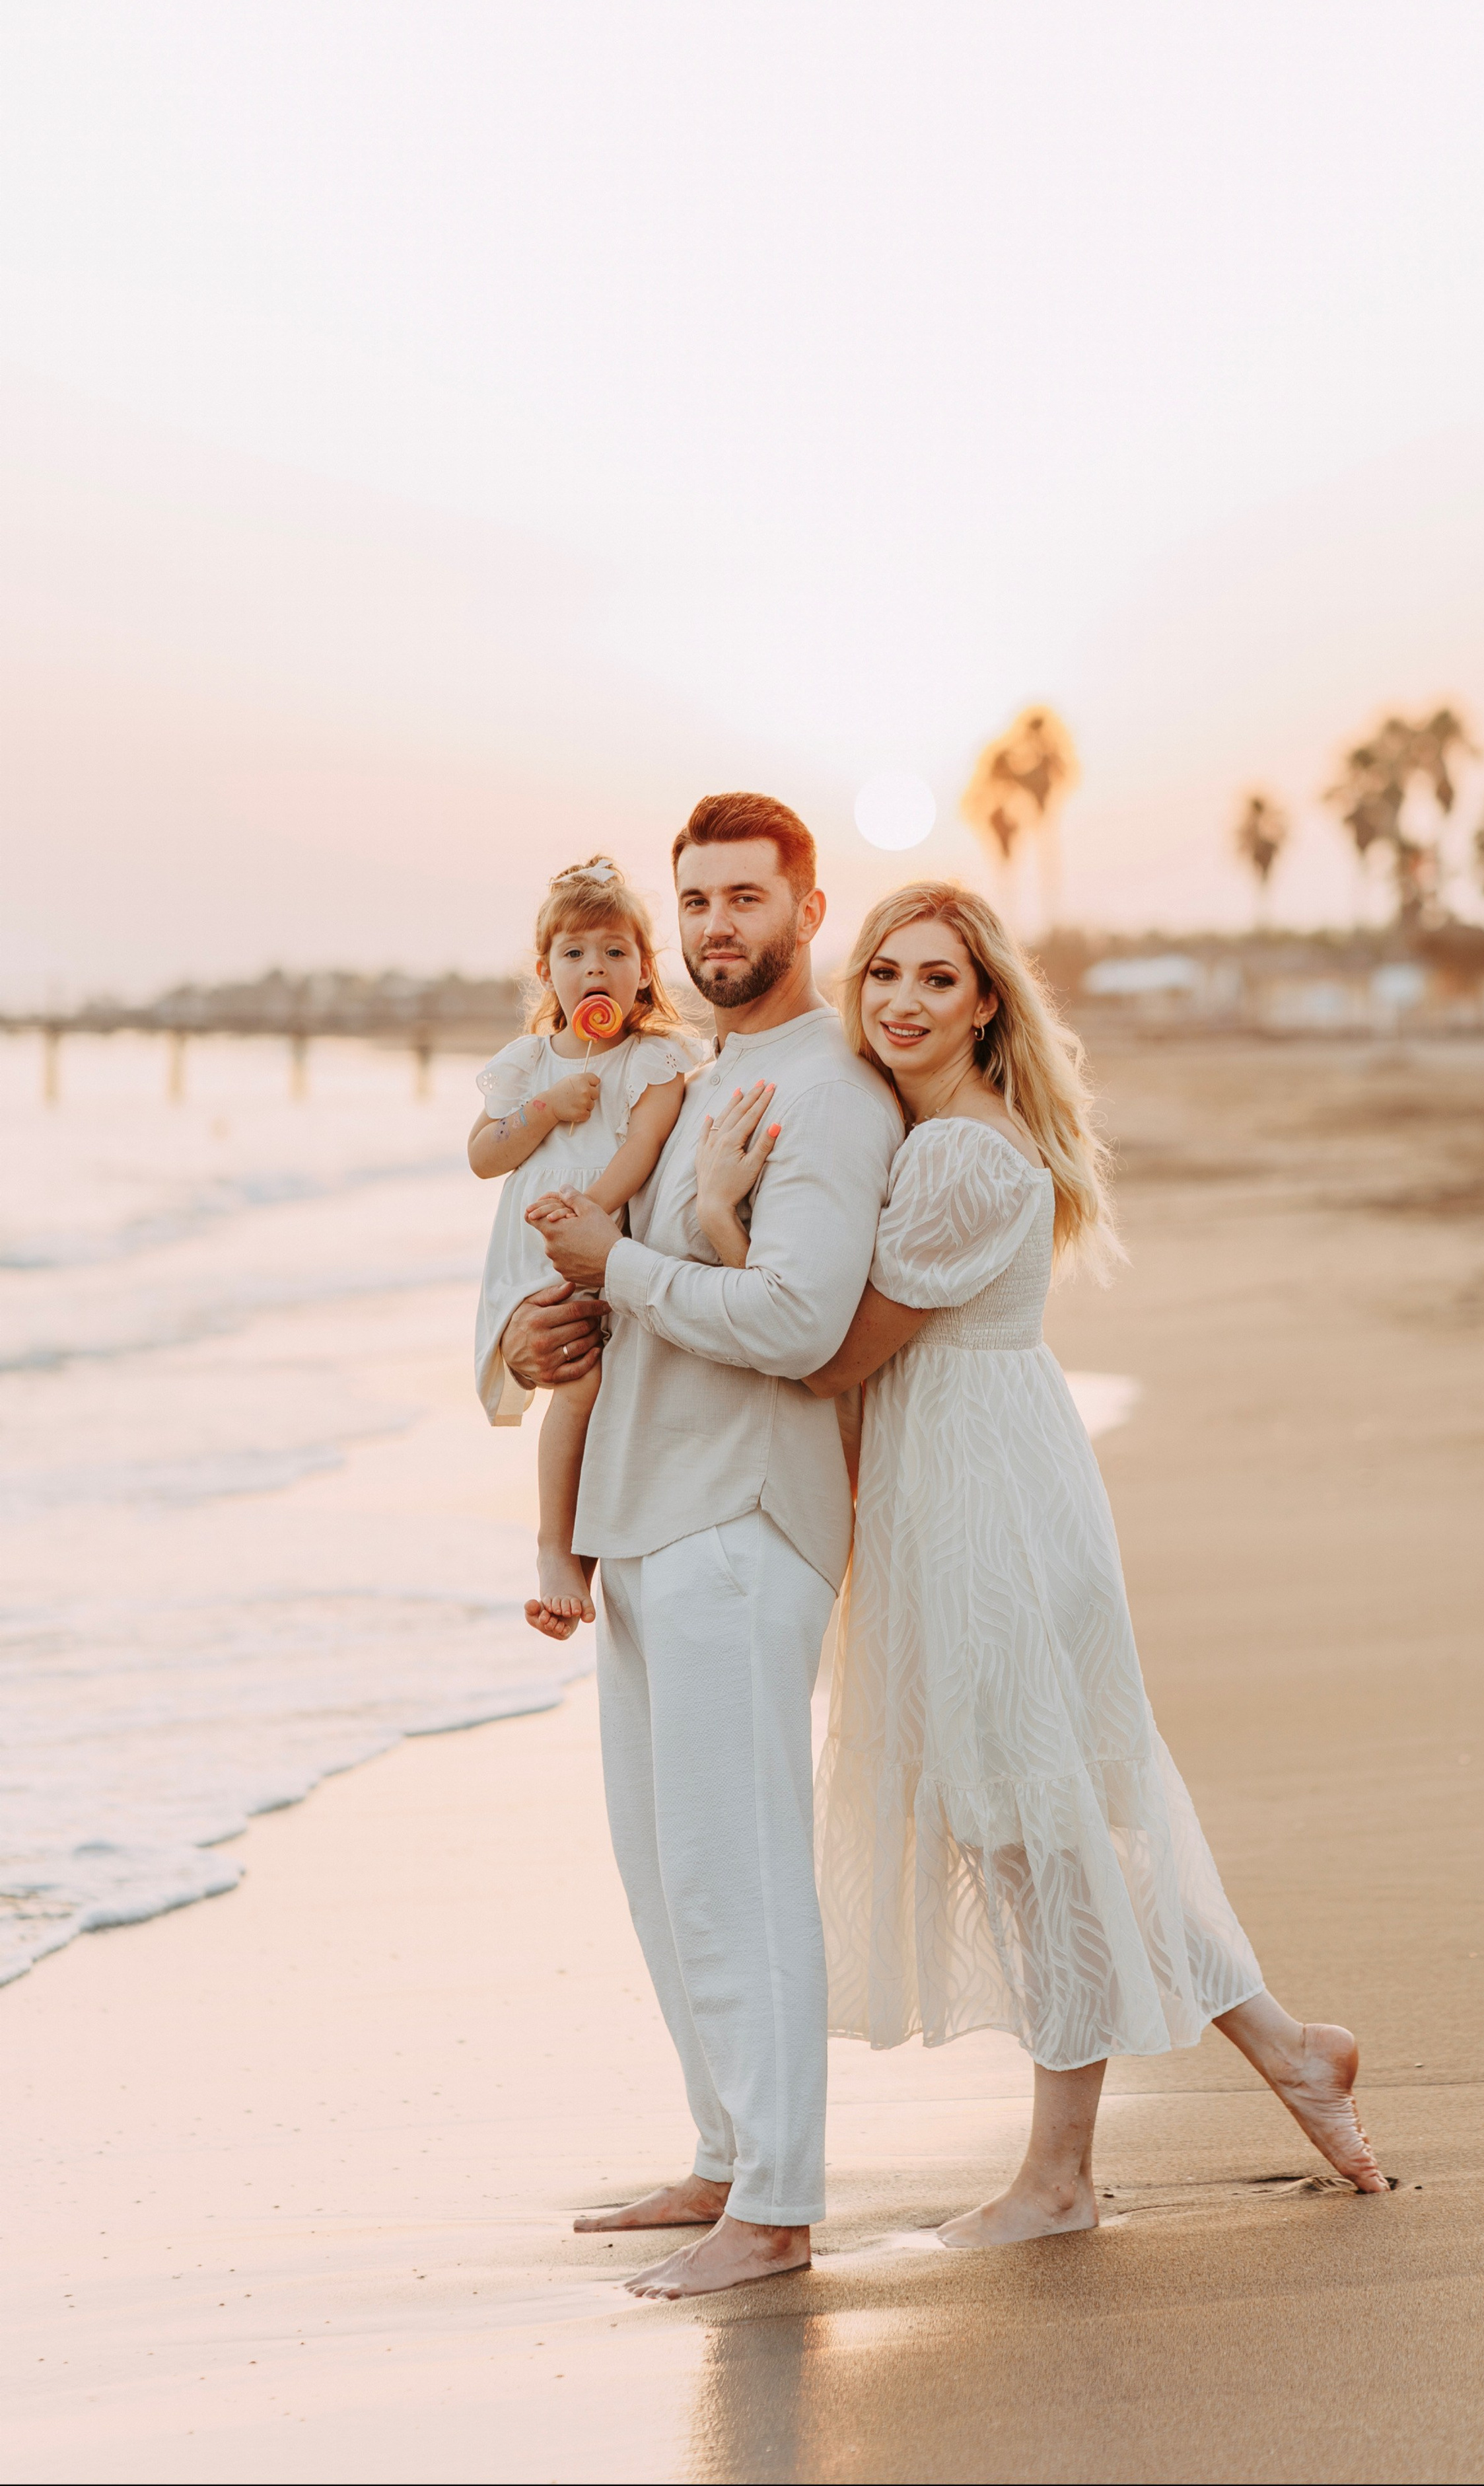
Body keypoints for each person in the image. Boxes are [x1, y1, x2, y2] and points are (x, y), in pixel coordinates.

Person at [777, 879, 1388, 2245]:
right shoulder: (944, 1138)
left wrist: (701, 1229)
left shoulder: (957, 1158)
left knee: (1033, 1836)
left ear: (987, 999)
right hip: (984, 1486)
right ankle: (1291, 2051)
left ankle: (1059, 2179)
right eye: (881, 974)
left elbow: (829, 1358)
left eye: (936, 979)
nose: (899, 1002)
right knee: (1049, 1821)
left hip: (982, 1510)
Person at [511, 793, 905, 2299]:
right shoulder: (695, 1076)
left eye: (745, 897)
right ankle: (725, 2152)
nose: (715, 925)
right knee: (664, 1868)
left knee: (737, 1867)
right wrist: (565, 1313)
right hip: (641, 1508)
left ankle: (781, 2202)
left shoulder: (831, 1092)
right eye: (696, 901)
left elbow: (802, 1323)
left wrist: (618, 1264)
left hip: (741, 1515)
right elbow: (636, 1281)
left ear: (809, 910)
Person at [468, 857, 693, 1634]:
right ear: (546, 971)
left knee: (612, 1393)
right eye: (574, 953)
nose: (594, 967)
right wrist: (544, 1108)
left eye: (614, 951)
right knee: (581, 1382)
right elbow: (484, 1155)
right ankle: (556, 1548)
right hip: (532, 1256)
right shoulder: (527, 1063)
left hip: (603, 1237)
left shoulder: (655, 1061)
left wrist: (589, 1212)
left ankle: (584, 1551)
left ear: (643, 970)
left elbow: (641, 1149)